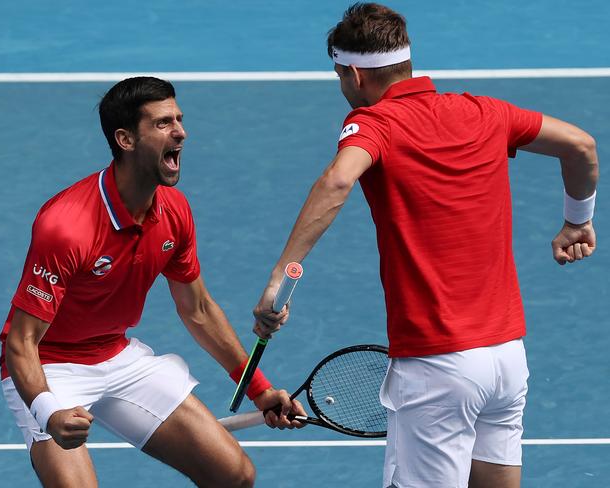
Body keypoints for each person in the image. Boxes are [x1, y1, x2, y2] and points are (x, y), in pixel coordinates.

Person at [253, 3, 598, 488]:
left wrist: (278, 279)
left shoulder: (373, 123)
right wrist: (576, 222)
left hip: (437, 364)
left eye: (338, 75)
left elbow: (337, 182)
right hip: (505, 358)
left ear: (353, 73)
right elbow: (580, 144)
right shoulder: (485, 111)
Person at [0, 76, 303, 488]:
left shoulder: (174, 210)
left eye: (178, 119)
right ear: (125, 139)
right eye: (163, 123)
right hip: (50, 366)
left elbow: (197, 310)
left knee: (234, 476)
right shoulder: (67, 227)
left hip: (117, 355)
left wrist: (261, 391)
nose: (181, 131)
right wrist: (48, 409)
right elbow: (21, 342)